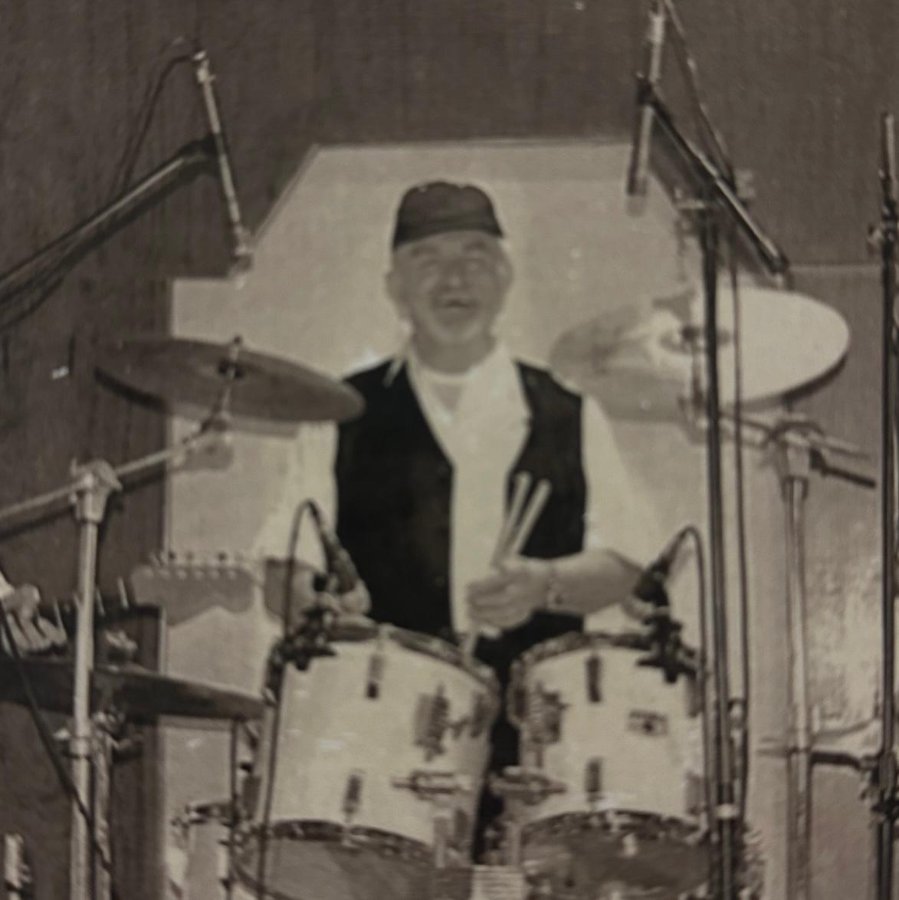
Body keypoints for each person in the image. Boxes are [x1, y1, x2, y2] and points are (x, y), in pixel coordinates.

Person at [254, 180, 662, 854]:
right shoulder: (339, 411)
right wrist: (322, 611)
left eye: (475, 256)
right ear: (394, 286)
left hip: (532, 750)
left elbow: (625, 562)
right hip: (376, 749)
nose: (454, 278)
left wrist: (546, 584)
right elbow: (281, 570)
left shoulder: (568, 410)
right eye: (428, 258)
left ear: (504, 277)